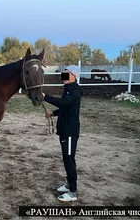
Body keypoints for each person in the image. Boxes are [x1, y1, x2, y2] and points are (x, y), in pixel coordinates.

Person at [42, 65, 83, 202]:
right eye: (64, 74)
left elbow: (63, 103)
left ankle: (73, 192)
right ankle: (69, 184)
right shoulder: (68, 90)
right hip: (65, 130)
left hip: (70, 132)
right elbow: (65, 108)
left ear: (74, 76)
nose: (64, 77)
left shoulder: (75, 91)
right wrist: (53, 113)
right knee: (66, 159)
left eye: (68, 74)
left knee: (69, 160)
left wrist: (44, 96)